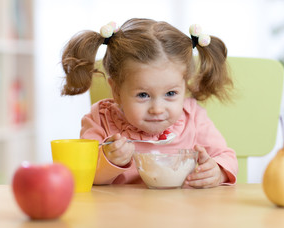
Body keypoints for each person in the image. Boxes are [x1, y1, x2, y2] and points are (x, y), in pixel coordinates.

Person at [61, 18, 238, 188]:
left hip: (180, 214)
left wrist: (217, 171)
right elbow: (85, 176)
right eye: (143, 95)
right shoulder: (100, 119)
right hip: (120, 216)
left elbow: (226, 156)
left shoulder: (193, 117)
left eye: (170, 93)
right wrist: (109, 161)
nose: (157, 109)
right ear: (116, 91)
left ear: (185, 86)